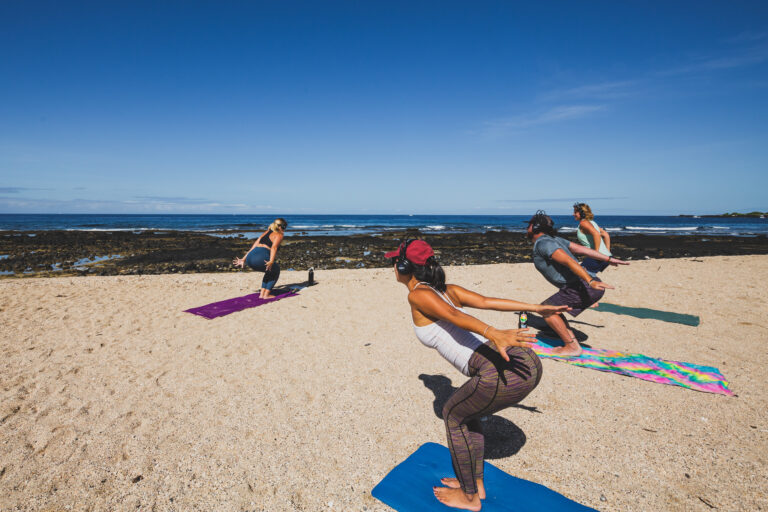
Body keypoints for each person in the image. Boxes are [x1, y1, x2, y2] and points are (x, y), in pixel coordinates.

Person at [387, 239, 570, 511]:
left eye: (394, 262)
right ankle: (476, 485)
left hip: (499, 368)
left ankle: (471, 498)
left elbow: (453, 315)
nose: (392, 266)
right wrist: (534, 307)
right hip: (523, 363)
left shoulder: (418, 295)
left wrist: (493, 332)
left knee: (452, 414)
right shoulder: (446, 290)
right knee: (467, 412)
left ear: (404, 266)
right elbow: (487, 301)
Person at [525, 210, 628, 357]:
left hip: (583, 285)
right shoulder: (555, 239)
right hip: (584, 285)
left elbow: (568, 260)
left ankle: (572, 346)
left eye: (529, 225)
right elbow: (582, 249)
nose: (526, 228)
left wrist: (590, 281)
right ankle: (567, 338)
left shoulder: (544, 243)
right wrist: (608, 259)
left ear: (535, 228)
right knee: (553, 308)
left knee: (545, 309)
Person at [232, 218, 287, 298]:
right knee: (276, 270)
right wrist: (271, 261)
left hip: (250, 258)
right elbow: (274, 248)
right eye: (284, 227)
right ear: (280, 227)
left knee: (269, 271)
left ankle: (262, 294)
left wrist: (244, 259)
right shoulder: (279, 235)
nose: (284, 229)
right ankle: (266, 295)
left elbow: (254, 246)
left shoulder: (266, 232)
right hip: (260, 258)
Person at [573, 202, 612, 275]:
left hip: (597, 257)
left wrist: (596, 253)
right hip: (604, 257)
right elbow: (605, 234)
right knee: (585, 278)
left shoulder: (583, 223)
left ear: (582, 213)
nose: (573, 214)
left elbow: (596, 234)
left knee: (579, 276)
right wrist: (607, 253)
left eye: (575, 212)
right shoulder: (591, 222)